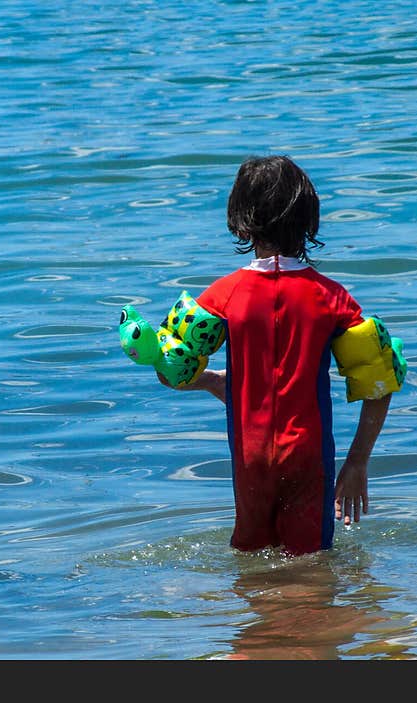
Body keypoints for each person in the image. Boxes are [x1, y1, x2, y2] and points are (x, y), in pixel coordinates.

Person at [158, 155, 396, 556]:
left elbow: (172, 372)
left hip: (250, 460)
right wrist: (357, 463)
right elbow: (382, 382)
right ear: (309, 219)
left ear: (240, 220)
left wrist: (214, 381)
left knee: (251, 563)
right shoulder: (332, 299)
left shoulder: (222, 296)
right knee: (311, 565)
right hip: (308, 455)